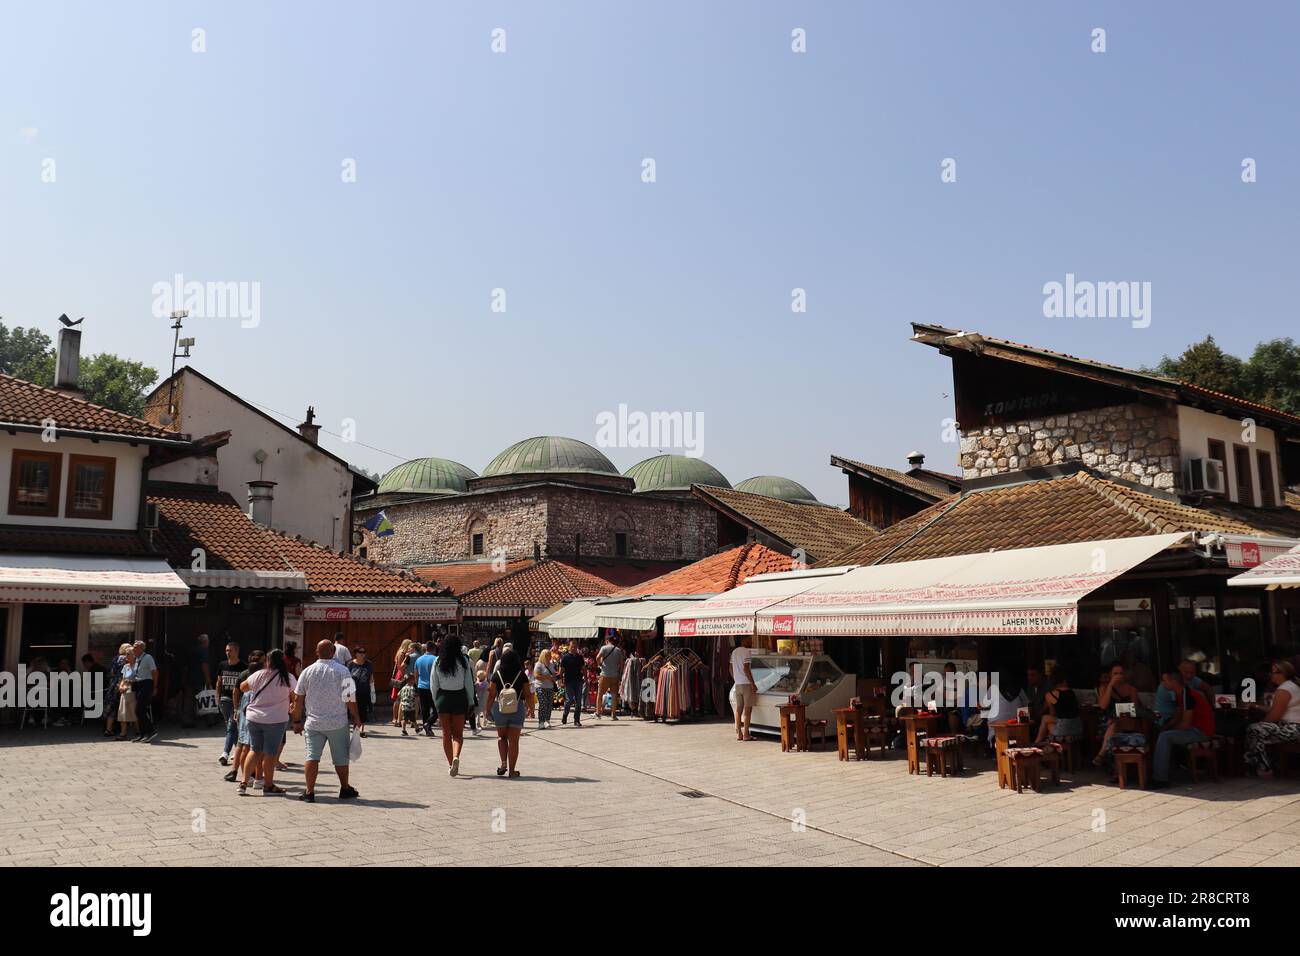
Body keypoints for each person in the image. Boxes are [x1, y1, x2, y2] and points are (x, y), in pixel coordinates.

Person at [292, 639, 362, 802]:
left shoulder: (307, 671)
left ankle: (309, 792)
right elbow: (350, 697)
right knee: (341, 758)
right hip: (337, 723)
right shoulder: (343, 671)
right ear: (333, 652)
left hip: (314, 723)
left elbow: (298, 699)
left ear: (317, 652)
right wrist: (356, 717)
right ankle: (345, 788)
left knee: (312, 756)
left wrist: (296, 721)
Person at [239, 649, 297, 796]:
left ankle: (243, 783)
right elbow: (296, 696)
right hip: (276, 720)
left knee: (254, 750)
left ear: (267, 661)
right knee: (270, 754)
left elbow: (243, 687)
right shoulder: (288, 678)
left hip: (254, 718)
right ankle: (268, 785)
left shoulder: (259, 674)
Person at [1150, 669, 1215, 789]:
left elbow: (1184, 724)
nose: (1162, 683)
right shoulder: (1179, 694)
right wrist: (1164, 728)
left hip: (1201, 731)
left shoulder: (1188, 695)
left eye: (1164, 680)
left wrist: (1168, 731)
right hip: (1193, 729)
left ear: (1173, 681)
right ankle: (1164, 773)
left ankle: (1160, 779)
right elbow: (1177, 717)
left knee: (1165, 737)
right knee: (1162, 734)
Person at [1244, 660, 1300, 778]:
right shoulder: (1290, 686)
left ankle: (1262, 767)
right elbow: (1275, 709)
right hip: (1291, 727)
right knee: (1258, 733)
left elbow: (1275, 715)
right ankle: (1265, 765)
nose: (1270, 675)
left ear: (1282, 674)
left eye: (1273, 673)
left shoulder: (1284, 690)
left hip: (1294, 729)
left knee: (1254, 730)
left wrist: (1262, 724)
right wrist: (1256, 705)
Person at [432, 634, 476, 776]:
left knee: (446, 734)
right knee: (458, 734)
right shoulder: (463, 661)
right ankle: (456, 756)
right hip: (459, 697)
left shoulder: (438, 661)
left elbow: (434, 684)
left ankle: (451, 763)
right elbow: (469, 684)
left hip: (443, 698)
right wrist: (471, 701)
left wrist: (436, 702)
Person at [485, 649, 533, 777]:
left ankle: (503, 763)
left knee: (501, 738)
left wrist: (487, 709)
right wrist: (531, 708)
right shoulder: (522, 675)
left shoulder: (497, 674)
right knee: (514, 741)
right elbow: (528, 694)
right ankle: (512, 771)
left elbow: (491, 694)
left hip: (499, 709)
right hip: (517, 709)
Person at [1093, 662, 1142, 766]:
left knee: (1116, 723)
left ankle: (1101, 754)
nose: (1118, 676)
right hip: (1107, 721)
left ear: (1125, 675)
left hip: (1127, 721)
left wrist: (1119, 715)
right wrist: (1110, 686)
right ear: (1111, 675)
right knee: (1113, 724)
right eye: (1115, 673)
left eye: (1121, 673)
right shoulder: (1105, 688)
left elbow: (1134, 710)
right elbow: (1103, 706)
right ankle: (1115, 769)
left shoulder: (1132, 689)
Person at [225, 651, 263, 783]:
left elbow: (236, 692)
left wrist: (236, 709)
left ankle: (236, 772)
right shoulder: (256, 680)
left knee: (241, 744)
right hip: (250, 714)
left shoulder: (244, 674)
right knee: (249, 747)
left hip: (243, 711)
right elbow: (236, 691)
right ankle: (249, 775)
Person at [1034, 668, 1083, 743]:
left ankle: (1037, 742)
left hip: (1064, 729)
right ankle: (1042, 743)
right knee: (1049, 723)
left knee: (1045, 719)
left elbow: (1052, 714)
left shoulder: (1050, 695)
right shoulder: (1072, 692)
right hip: (1078, 727)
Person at [216, 641, 245, 765]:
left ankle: (225, 753)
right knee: (231, 726)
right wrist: (217, 696)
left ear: (237, 652)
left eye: (230, 650)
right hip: (225, 699)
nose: (228, 653)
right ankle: (238, 750)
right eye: (226, 650)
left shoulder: (243, 666)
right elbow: (219, 682)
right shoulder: (222, 665)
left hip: (238, 701)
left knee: (231, 726)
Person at [180, 634, 212, 728]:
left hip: (190, 679)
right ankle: (209, 720)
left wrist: (184, 679)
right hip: (200, 679)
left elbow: (185, 667)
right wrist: (208, 679)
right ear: (205, 642)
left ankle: (187, 721)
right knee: (205, 699)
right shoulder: (204, 651)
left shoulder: (190, 650)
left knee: (189, 701)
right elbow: (204, 665)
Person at [731, 635, 757, 741]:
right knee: (747, 710)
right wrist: (753, 683)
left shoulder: (734, 652)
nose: (751, 641)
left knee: (738, 709)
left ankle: (739, 734)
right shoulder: (746, 651)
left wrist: (736, 678)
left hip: (738, 684)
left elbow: (730, 668)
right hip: (746, 684)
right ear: (743, 641)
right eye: (749, 639)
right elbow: (746, 668)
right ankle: (746, 734)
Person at [131, 640, 158, 742]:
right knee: (139, 711)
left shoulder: (148, 658)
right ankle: (142, 734)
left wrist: (155, 687)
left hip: (146, 684)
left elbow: (155, 672)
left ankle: (151, 731)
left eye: (135, 647)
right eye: (133, 647)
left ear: (142, 648)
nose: (133, 648)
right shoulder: (137, 659)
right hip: (139, 685)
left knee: (140, 709)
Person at [102, 643, 131, 738]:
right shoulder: (127, 658)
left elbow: (111, 672)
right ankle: (125, 731)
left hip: (113, 685)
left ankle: (108, 729)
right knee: (123, 708)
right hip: (123, 684)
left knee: (112, 708)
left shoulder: (115, 658)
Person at [595, 635, 625, 720]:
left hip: (604, 675)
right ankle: (613, 715)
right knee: (614, 695)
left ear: (607, 640)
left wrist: (599, 664)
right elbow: (622, 663)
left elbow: (597, 657)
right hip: (615, 676)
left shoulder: (604, 648)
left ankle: (598, 713)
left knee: (600, 694)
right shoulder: (618, 650)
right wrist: (620, 673)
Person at [348, 647, 375, 737]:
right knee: (353, 710)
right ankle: (355, 728)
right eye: (360, 652)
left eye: (364, 652)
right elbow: (347, 678)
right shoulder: (350, 664)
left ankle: (362, 730)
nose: (362, 654)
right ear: (356, 653)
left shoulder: (368, 664)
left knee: (363, 710)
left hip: (364, 691)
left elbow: (371, 678)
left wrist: (372, 691)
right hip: (352, 692)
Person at [414, 640, 438, 737]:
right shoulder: (435, 659)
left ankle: (427, 727)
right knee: (437, 709)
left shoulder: (419, 659)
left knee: (425, 709)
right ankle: (428, 724)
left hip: (421, 686)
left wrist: (417, 685)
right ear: (434, 649)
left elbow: (416, 674)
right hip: (432, 687)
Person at [559, 642, 585, 726]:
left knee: (578, 701)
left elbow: (583, 668)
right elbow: (561, 670)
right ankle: (565, 715)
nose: (573, 648)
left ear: (577, 647)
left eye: (575, 646)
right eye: (572, 647)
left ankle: (576, 720)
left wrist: (586, 679)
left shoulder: (580, 657)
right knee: (569, 700)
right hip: (568, 681)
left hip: (579, 681)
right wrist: (561, 681)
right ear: (569, 647)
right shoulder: (565, 657)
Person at [115, 646, 138, 741]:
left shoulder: (138, 666)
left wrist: (131, 681)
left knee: (135, 713)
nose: (126, 656)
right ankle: (123, 733)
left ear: (134, 655)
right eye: (125, 654)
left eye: (128, 654)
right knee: (122, 713)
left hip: (134, 692)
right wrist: (121, 686)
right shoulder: (125, 666)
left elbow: (140, 678)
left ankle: (139, 732)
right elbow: (123, 679)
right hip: (125, 692)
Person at [390, 639, 413, 727]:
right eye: (409, 645)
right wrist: (404, 677)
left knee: (400, 698)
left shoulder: (401, 652)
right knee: (398, 698)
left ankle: (398, 718)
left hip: (401, 675)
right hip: (401, 676)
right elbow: (400, 667)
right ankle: (395, 718)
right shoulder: (402, 653)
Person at [533, 649, 556, 730]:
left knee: (549, 705)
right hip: (540, 687)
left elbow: (554, 674)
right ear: (543, 656)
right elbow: (536, 676)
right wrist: (547, 677)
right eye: (548, 655)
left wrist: (554, 677)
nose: (549, 657)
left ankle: (547, 720)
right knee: (543, 704)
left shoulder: (552, 664)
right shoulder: (538, 664)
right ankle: (541, 722)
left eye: (550, 655)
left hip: (550, 687)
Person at [473, 663, 490, 733]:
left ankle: (478, 722)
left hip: (478, 699)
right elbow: (488, 690)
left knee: (477, 712)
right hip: (484, 699)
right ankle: (485, 720)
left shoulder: (476, 684)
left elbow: (475, 690)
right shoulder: (486, 683)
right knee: (484, 711)